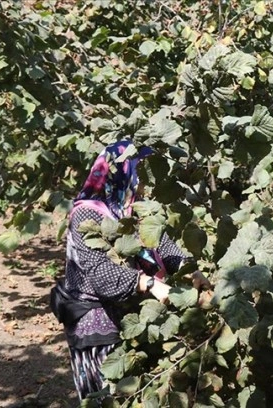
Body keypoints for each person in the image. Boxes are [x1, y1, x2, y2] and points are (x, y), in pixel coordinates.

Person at [51, 140, 205, 401]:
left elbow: (163, 247)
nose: (145, 179)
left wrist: (193, 272)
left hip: (128, 317)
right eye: (141, 170)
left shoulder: (133, 209)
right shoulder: (86, 215)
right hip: (95, 326)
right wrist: (151, 284)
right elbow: (102, 275)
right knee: (104, 397)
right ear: (124, 171)